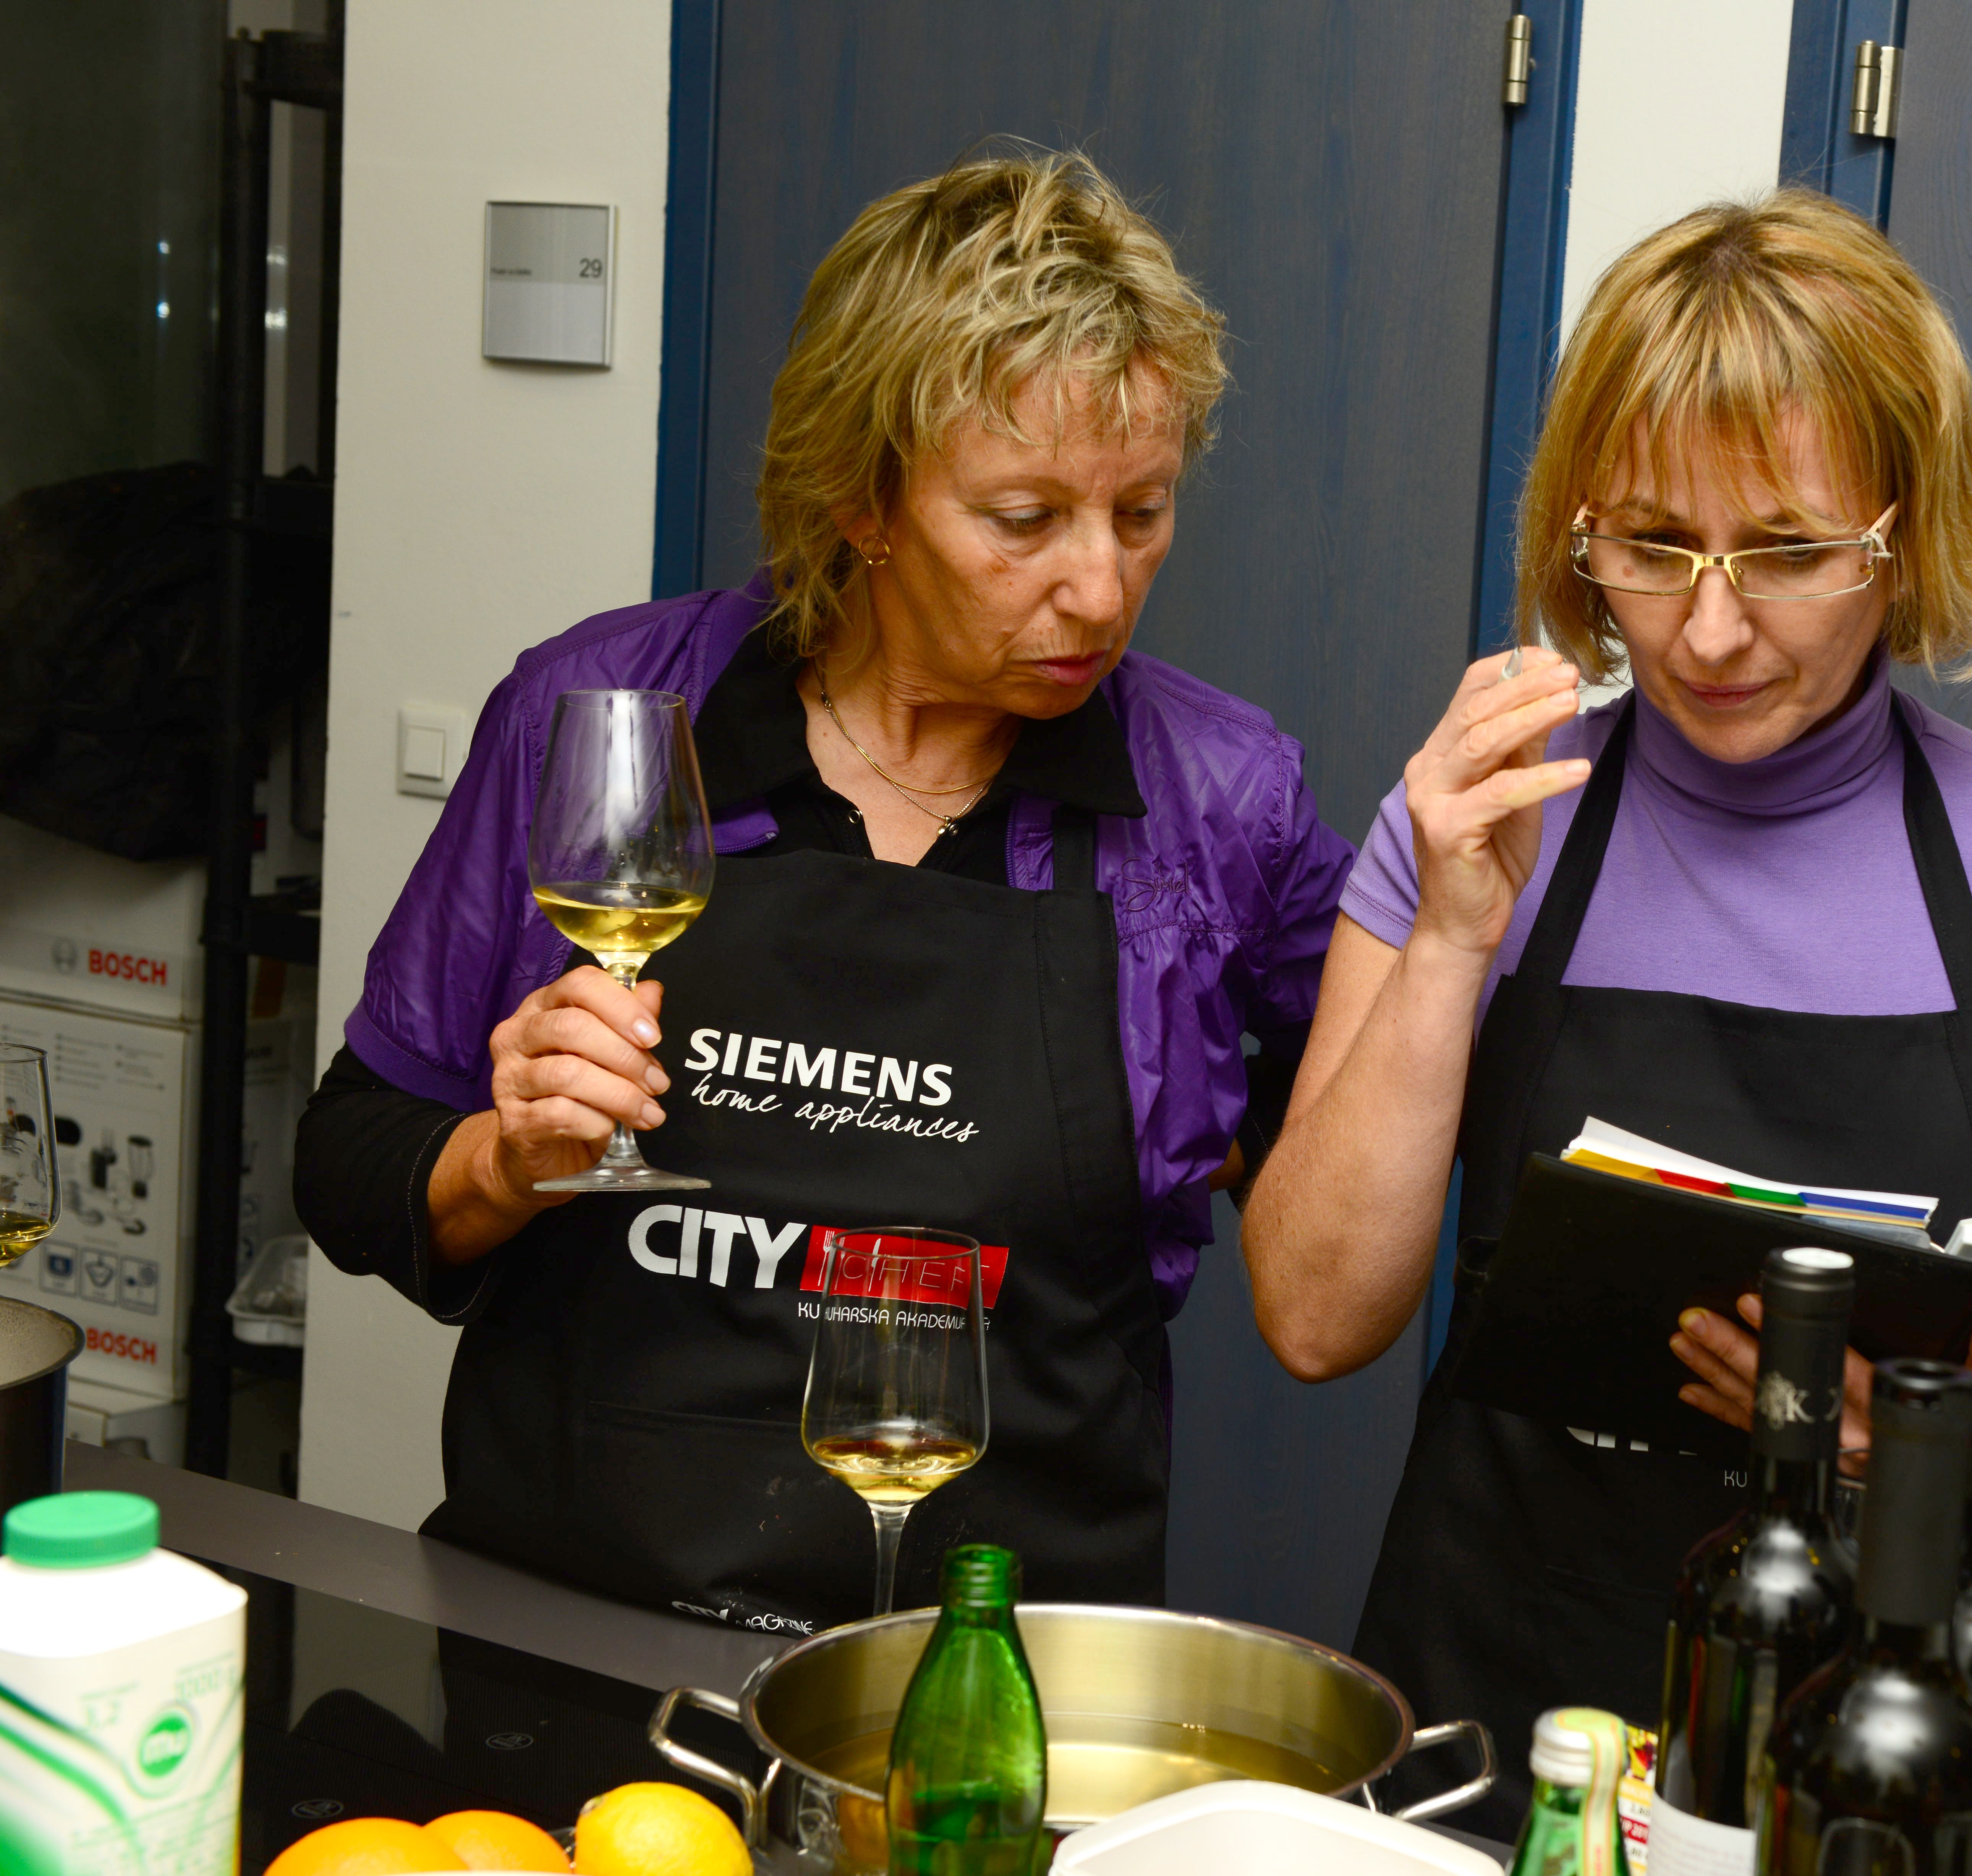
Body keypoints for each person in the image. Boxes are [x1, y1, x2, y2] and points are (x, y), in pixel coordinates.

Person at [1239, 189, 1972, 1826]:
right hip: (1500, 1721)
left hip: (1892, 1749)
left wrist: (1942, 1440)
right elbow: (1313, 1317)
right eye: (1649, 548)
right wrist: (1450, 937)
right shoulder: (1478, 825)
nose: (1707, 631)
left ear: (1907, 534)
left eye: (1786, 553)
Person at [296, 152, 1351, 1632]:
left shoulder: (1222, 804)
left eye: (1142, 512)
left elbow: (1339, 1186)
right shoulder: (602, 717)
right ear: (864, 499)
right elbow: (348, 1159)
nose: (1102, 588)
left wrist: (1250, 1105)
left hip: (990, 1668)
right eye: (1024, 518)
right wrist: (500, 1162)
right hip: (579, 1634)